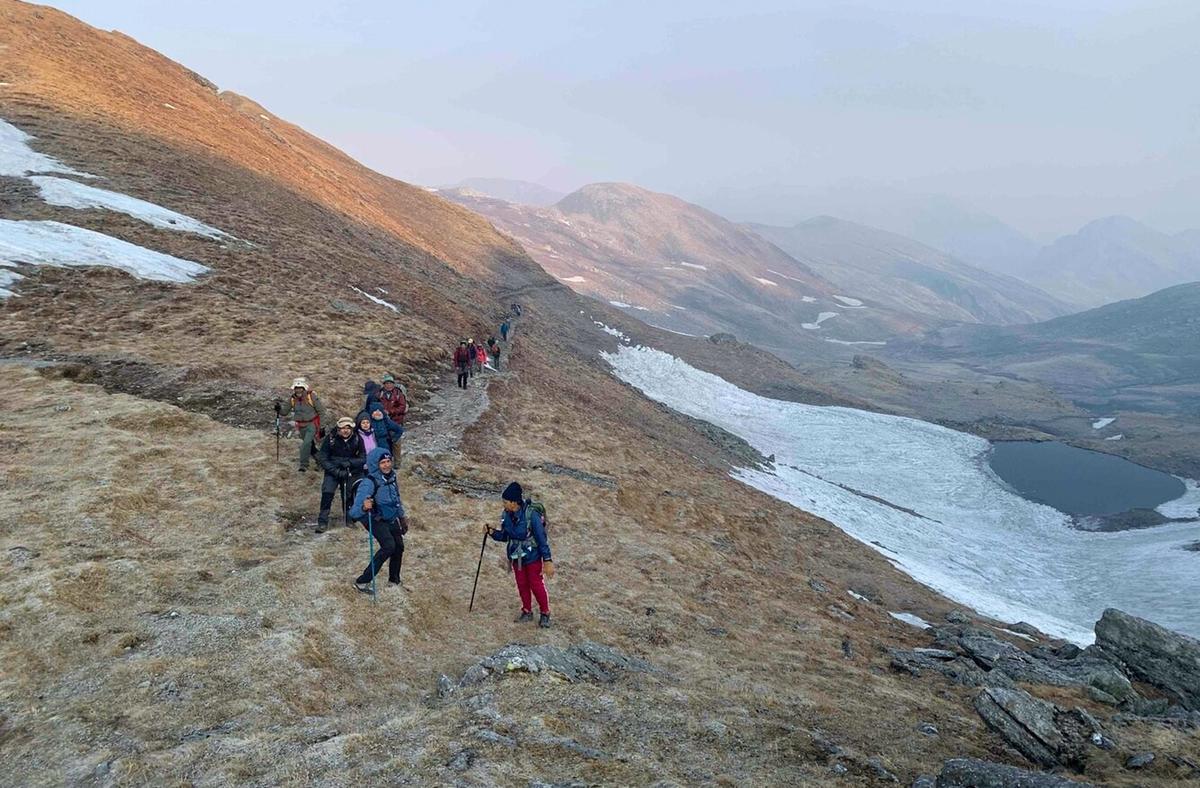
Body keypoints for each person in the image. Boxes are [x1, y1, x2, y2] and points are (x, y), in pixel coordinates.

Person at [485, 481, 553, 627]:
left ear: (514, 502)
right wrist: (492, 533)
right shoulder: (506, 514)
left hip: (533, 557)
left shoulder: (531, 515)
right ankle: (527, 611)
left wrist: (547, 560)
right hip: (516, 557)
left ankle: (545, 612)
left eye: (505, 501)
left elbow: (542, 539)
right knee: (522, 584)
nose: (503, 504)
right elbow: (505, 536)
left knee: (536, 585)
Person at [349, 448, 409, 590]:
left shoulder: (392, 477)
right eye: (382, 462)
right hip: (374, 518)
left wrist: (402, 517)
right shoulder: (368, 482)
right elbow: (353, 513)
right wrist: (364, 507)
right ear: (375, 464)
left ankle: (394, 580)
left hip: (391, 516)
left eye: (388, 461)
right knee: (389, 546)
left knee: (399, 547)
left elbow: (396, 499)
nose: (387, 465)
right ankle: (362, 581)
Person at [316, 416, 365, 533]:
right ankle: (322, 522)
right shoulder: (330, 439)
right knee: (327, 494)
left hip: (349, 471)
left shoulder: (358, 439)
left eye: (348, 428)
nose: (345, 430)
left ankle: (349, 520)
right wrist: (335, 470)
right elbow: (322, 458)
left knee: (348, 496)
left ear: (352, 428)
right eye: (343, 428)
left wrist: (349, 463)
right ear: (338, 429)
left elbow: (363, 458)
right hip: (332, 471)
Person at [276, 377, 327, 473]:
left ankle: (303, 465)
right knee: (310, 445)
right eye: (296, 387)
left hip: (312, 424)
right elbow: (284, 412)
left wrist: (322, 426)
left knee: (305, 444)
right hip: (301, 426)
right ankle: (321, 461)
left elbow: (321, 412)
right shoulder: (292, 399)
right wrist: (278, 409)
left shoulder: (311, 396)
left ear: (303, 388)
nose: (298, 390)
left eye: (300, 387)